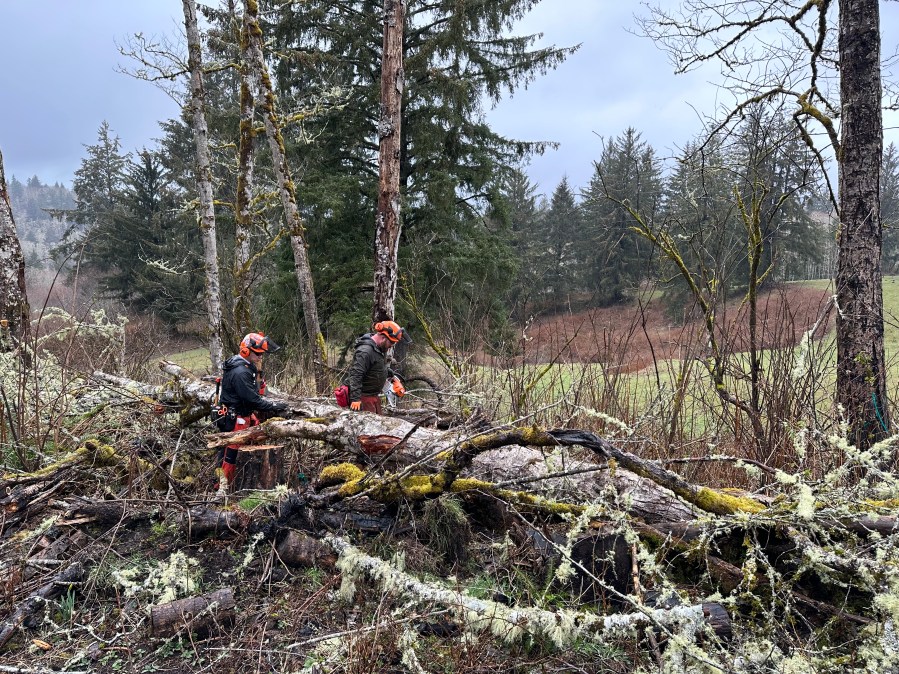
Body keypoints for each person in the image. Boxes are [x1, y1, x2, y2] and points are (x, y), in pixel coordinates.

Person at [215, 332, 289, 487]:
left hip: (242, 413)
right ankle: (223, 487)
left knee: (249, 446)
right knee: (231, 452)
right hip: (235, 417)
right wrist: (274, 406)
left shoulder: (244, 366)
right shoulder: (240, 371)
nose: (261, 357)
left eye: (262, 353)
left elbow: (255, 392)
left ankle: (249, 482)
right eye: (258, 353)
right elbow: (252, 399)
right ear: (246, 351)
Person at [346, 321, 407, 414]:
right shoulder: (365, 351)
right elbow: (356, 374)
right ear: (383, 338)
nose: (391, 347)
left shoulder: (378, 348)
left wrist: (386, 372)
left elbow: (373, 367)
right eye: (391, 343)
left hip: (373, 397)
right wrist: (355, 399)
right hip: (364, 398)